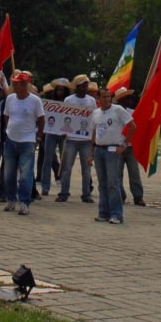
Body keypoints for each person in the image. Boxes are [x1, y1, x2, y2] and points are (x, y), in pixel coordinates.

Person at [0, 71, 44, 215]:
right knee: (9, 173)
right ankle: (11, 199)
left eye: (16, 83)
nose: (13, 85)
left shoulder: (35, 101)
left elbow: (41, 120)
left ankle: (24, 202)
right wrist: (8, 130)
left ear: (24, 85)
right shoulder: (10, 98)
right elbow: (6, 116)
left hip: (27, 141)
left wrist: (38, 138)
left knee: (26, 174)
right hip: (11, 140)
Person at [92, 87, 135, 225]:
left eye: (108, 96)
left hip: (113, 149)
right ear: (98, 99)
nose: (106, 99)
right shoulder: (96, 113)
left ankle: (117, 214)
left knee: (112, 183)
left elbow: (132, 126)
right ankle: (104, 212)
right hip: (99, 149)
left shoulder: (118, 110)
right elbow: (94, 132)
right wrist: (91, 152)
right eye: (103, 97)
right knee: (102, 183)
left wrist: (124, 144)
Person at [56, 74, 96, 203]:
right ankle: (64, 193)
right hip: (71, 138)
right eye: (83, 86)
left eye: (86, 85)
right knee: (67, 168)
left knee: (86, 169)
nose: (85, 88)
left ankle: (86, 195)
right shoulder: (69, 100)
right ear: (77, 87)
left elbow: (93, 119)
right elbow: (63, 117)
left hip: (86, 140)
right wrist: (63, 130)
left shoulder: (91, 101)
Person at [113, 88, 146, 207]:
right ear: (122, 99)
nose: (130, 100)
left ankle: (138, 196)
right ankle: (120, 195)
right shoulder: (114, 112)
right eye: (127, 98)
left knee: (134, 173)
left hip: (130, 146)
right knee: (117, 173)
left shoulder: (134, 112)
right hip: (117, 146)